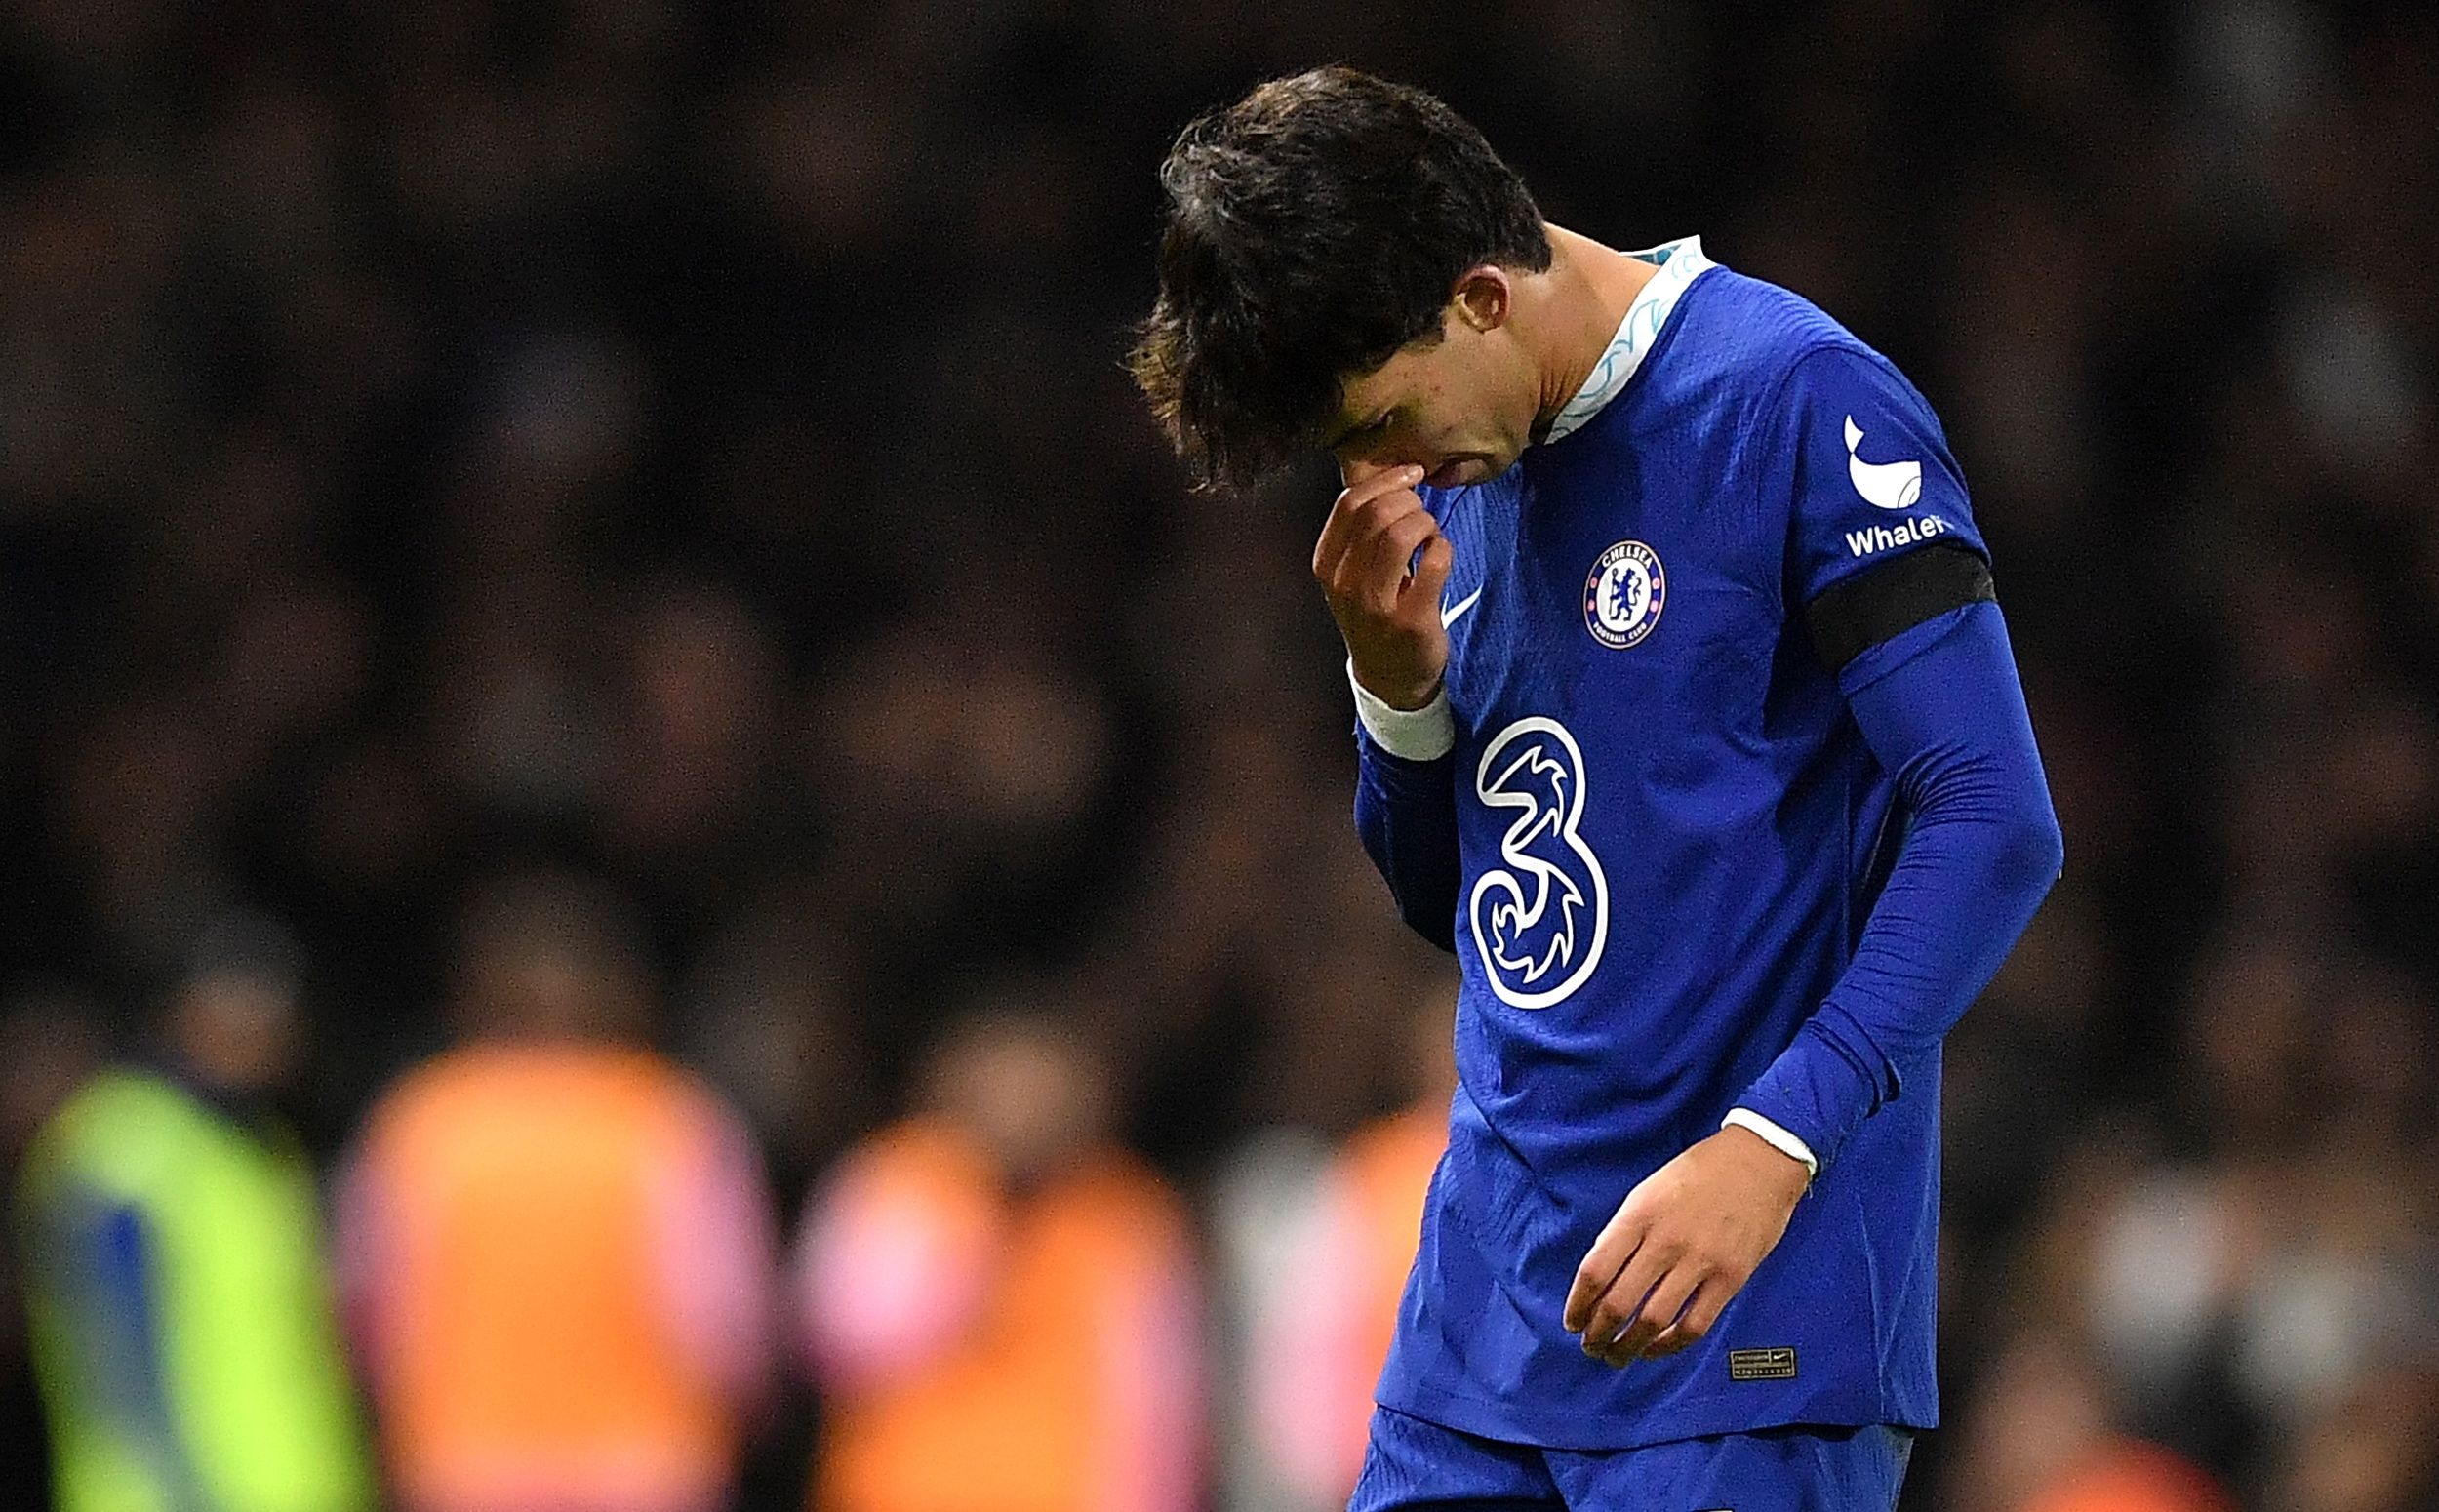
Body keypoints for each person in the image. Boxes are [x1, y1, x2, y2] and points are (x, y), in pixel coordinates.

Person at [1130, 67, 2063, 1511]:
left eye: (1382, 416)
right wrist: (1397, 695)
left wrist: (1776, 1140)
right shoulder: (1461, 468)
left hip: (1747, 1330)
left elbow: (1994, 817)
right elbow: (1465, 905)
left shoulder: (1790, 397)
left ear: (1481, 297)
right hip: (1477, 1336)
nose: (1379, 472)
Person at [336, 869, 778, 1512]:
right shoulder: (667, 1119)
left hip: (464, 1462)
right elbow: (721, 1327)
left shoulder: (427, 1120)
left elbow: (373, 1309)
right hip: (647, 1463)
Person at [14, 917, 375, 1512]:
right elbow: (114, 1361)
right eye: (239, 1002)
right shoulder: (120, 1147)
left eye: (277, 1006)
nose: (265, 1026)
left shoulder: (255, 1143)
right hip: (178, 1496)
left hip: (289, 1485)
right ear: (179, 1008)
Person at [793, 1005, 1200, 1512]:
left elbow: (1155, 1396)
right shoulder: (905, 1181)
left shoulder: (1121, 1211)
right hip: (901, 1486)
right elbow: (844, 1339)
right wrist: (964, 1238)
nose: (1022, 1114)